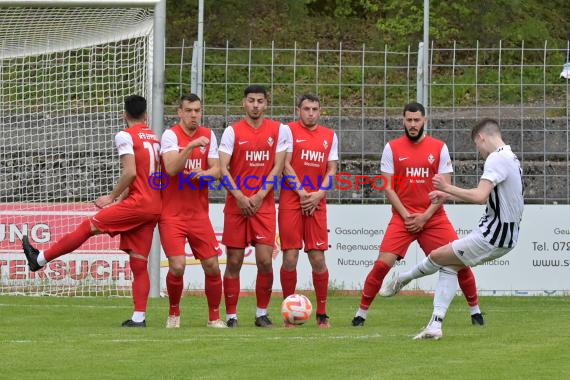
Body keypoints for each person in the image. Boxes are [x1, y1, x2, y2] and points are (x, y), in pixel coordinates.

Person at [22, 95, 161, 327]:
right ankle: (139, 318)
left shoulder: (125, 135)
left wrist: (111, 197)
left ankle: (39, 259)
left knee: (88, 227)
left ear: (124, 115)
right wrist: (123, 199)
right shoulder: (154, 138)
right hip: (153, 205)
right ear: (146, 115)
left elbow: (131, 173)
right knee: (138, 262)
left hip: (139, 204)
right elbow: (147, 177)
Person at [382, 118, 524, 340]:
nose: (479, 152)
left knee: (437, 255)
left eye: (477, 146)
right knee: (449, 266)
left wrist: (446, 187)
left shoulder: (496, 158)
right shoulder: (511, 157)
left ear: (481, 137)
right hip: (502, 232)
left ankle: (403, 278)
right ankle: (435, 325)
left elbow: (479, 196)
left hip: (494, 233)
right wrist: (448, 194)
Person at [351, 102, 484, 327]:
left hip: (434, 218)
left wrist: (424, 216)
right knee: (382, 265)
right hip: (402, 218)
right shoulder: (391, 147)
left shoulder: (439, 147)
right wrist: (406, 216)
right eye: (409, 120)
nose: (413, 124)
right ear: (403, 120)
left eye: (417, 120)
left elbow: (445, 188)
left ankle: (476, 312)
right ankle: (360, 313)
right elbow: (387, 187)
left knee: (459, 261)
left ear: (425, 120)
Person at [218, 84, 290, 328]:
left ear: (266, 104)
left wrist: (260, 195)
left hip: (264, 205)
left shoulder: (278, 130)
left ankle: (261, 313)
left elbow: (277, 167)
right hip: (236, 205)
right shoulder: (232, 131)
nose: (255, 105)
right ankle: (231, 316)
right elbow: (222, 168)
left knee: (265, 261)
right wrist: (239, 196)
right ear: (244, 103)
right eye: (251, 100)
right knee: (235, 261)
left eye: (260, 101)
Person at [158, 93, 226, 329]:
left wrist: (206, 174)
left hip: (198, 214)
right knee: (177, 266)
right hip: (172, 214)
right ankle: (174, 314)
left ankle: (214, 317)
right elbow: (171, 168)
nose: (194, 115)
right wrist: (190, 146)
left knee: (213, 266)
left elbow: (217, 170)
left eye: (197, 110)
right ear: (179, 112)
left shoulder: (209, 135)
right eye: (189, 111)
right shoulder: (170, 136)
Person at [279, 94, 338, 328]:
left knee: (317, 258)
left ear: (320, 111)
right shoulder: (288, 131)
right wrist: (302, 192)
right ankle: (288, 313)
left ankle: (322, 313)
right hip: (292, 200)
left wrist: (318, 194)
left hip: (317, 201)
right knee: (290, 257)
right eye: (306, 109)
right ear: (298, 110)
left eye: (314, 109)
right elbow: (284, 164)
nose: (310, 113)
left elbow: (331, 169)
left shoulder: (330, 136)